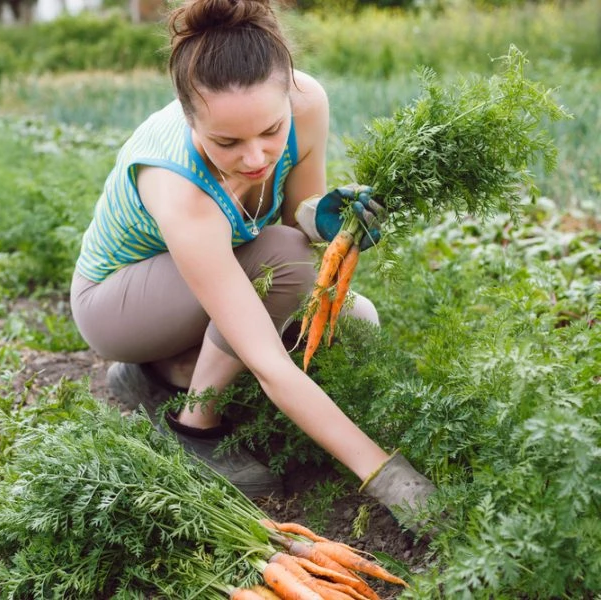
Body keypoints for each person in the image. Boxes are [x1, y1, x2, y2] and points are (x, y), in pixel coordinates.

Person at [70, 0, 435, 529]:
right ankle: (195, 427)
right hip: (118, 304)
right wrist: (391, 478)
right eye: (227, 142)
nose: (256, 158)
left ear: (289, 89)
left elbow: (295, 217)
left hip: (196, 286)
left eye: (270, 131)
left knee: (358, 321)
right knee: (284, 263)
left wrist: (326, 220)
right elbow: (268, 357)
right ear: (188, 116)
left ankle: (162, 373)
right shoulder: (179, 184)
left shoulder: (307, 103)